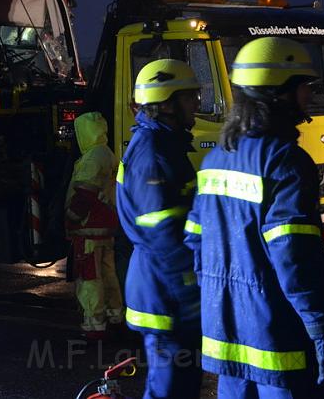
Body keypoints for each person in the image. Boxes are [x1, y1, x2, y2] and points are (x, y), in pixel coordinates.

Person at [184, 37, 324, 398]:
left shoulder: (215, 158)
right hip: (278, 345)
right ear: (280, 92)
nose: (309, 94)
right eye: (304, 85)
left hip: (225, 339)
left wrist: (219, 297)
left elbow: (195, 242)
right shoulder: (287, 163)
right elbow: (295, 261)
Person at [116, 59, 203, 399]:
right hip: (163, 290)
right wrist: (187, 293)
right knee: (170, 389)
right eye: (190, 96)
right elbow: (160, 233)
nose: (197, 102)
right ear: (166, 102)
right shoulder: (152, 154)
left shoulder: (166, 145)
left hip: (166, 286)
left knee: (181, 385)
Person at [64, 111, 124, 340]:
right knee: (108, 274)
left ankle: (94, 324)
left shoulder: (91, 158)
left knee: (90, 277)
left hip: (88, 228)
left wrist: (72, 216)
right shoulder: (107, 153)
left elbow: (84, 194)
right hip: (106, 226)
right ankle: (115, 316)